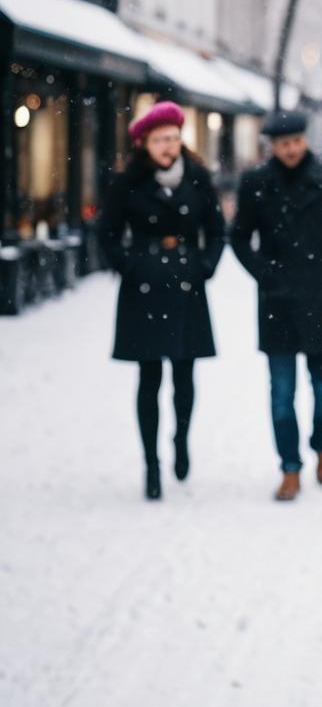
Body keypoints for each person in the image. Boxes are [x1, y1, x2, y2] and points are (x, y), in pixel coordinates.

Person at [97, 101, 225, 500]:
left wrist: (205, 266)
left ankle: (180, 441)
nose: (168, 146)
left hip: (186, 281)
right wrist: (128, 265)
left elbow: (217, 229)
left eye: (173, 138)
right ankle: (151, 464)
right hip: (144, 286)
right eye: (159, 140)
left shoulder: (199, 177)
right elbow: (106, 232)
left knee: (185, 376)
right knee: (149, 379)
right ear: (144, 143)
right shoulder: (127, 182)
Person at [230, 110, 322, 500]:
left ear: (305, 140)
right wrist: (265, 275)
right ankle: (289, 467)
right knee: (281, 395)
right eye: (282, 144)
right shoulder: (255, 183)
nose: (290, 149)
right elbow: (238, 237)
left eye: (296, 141)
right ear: (271, 145)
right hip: (278, 303)